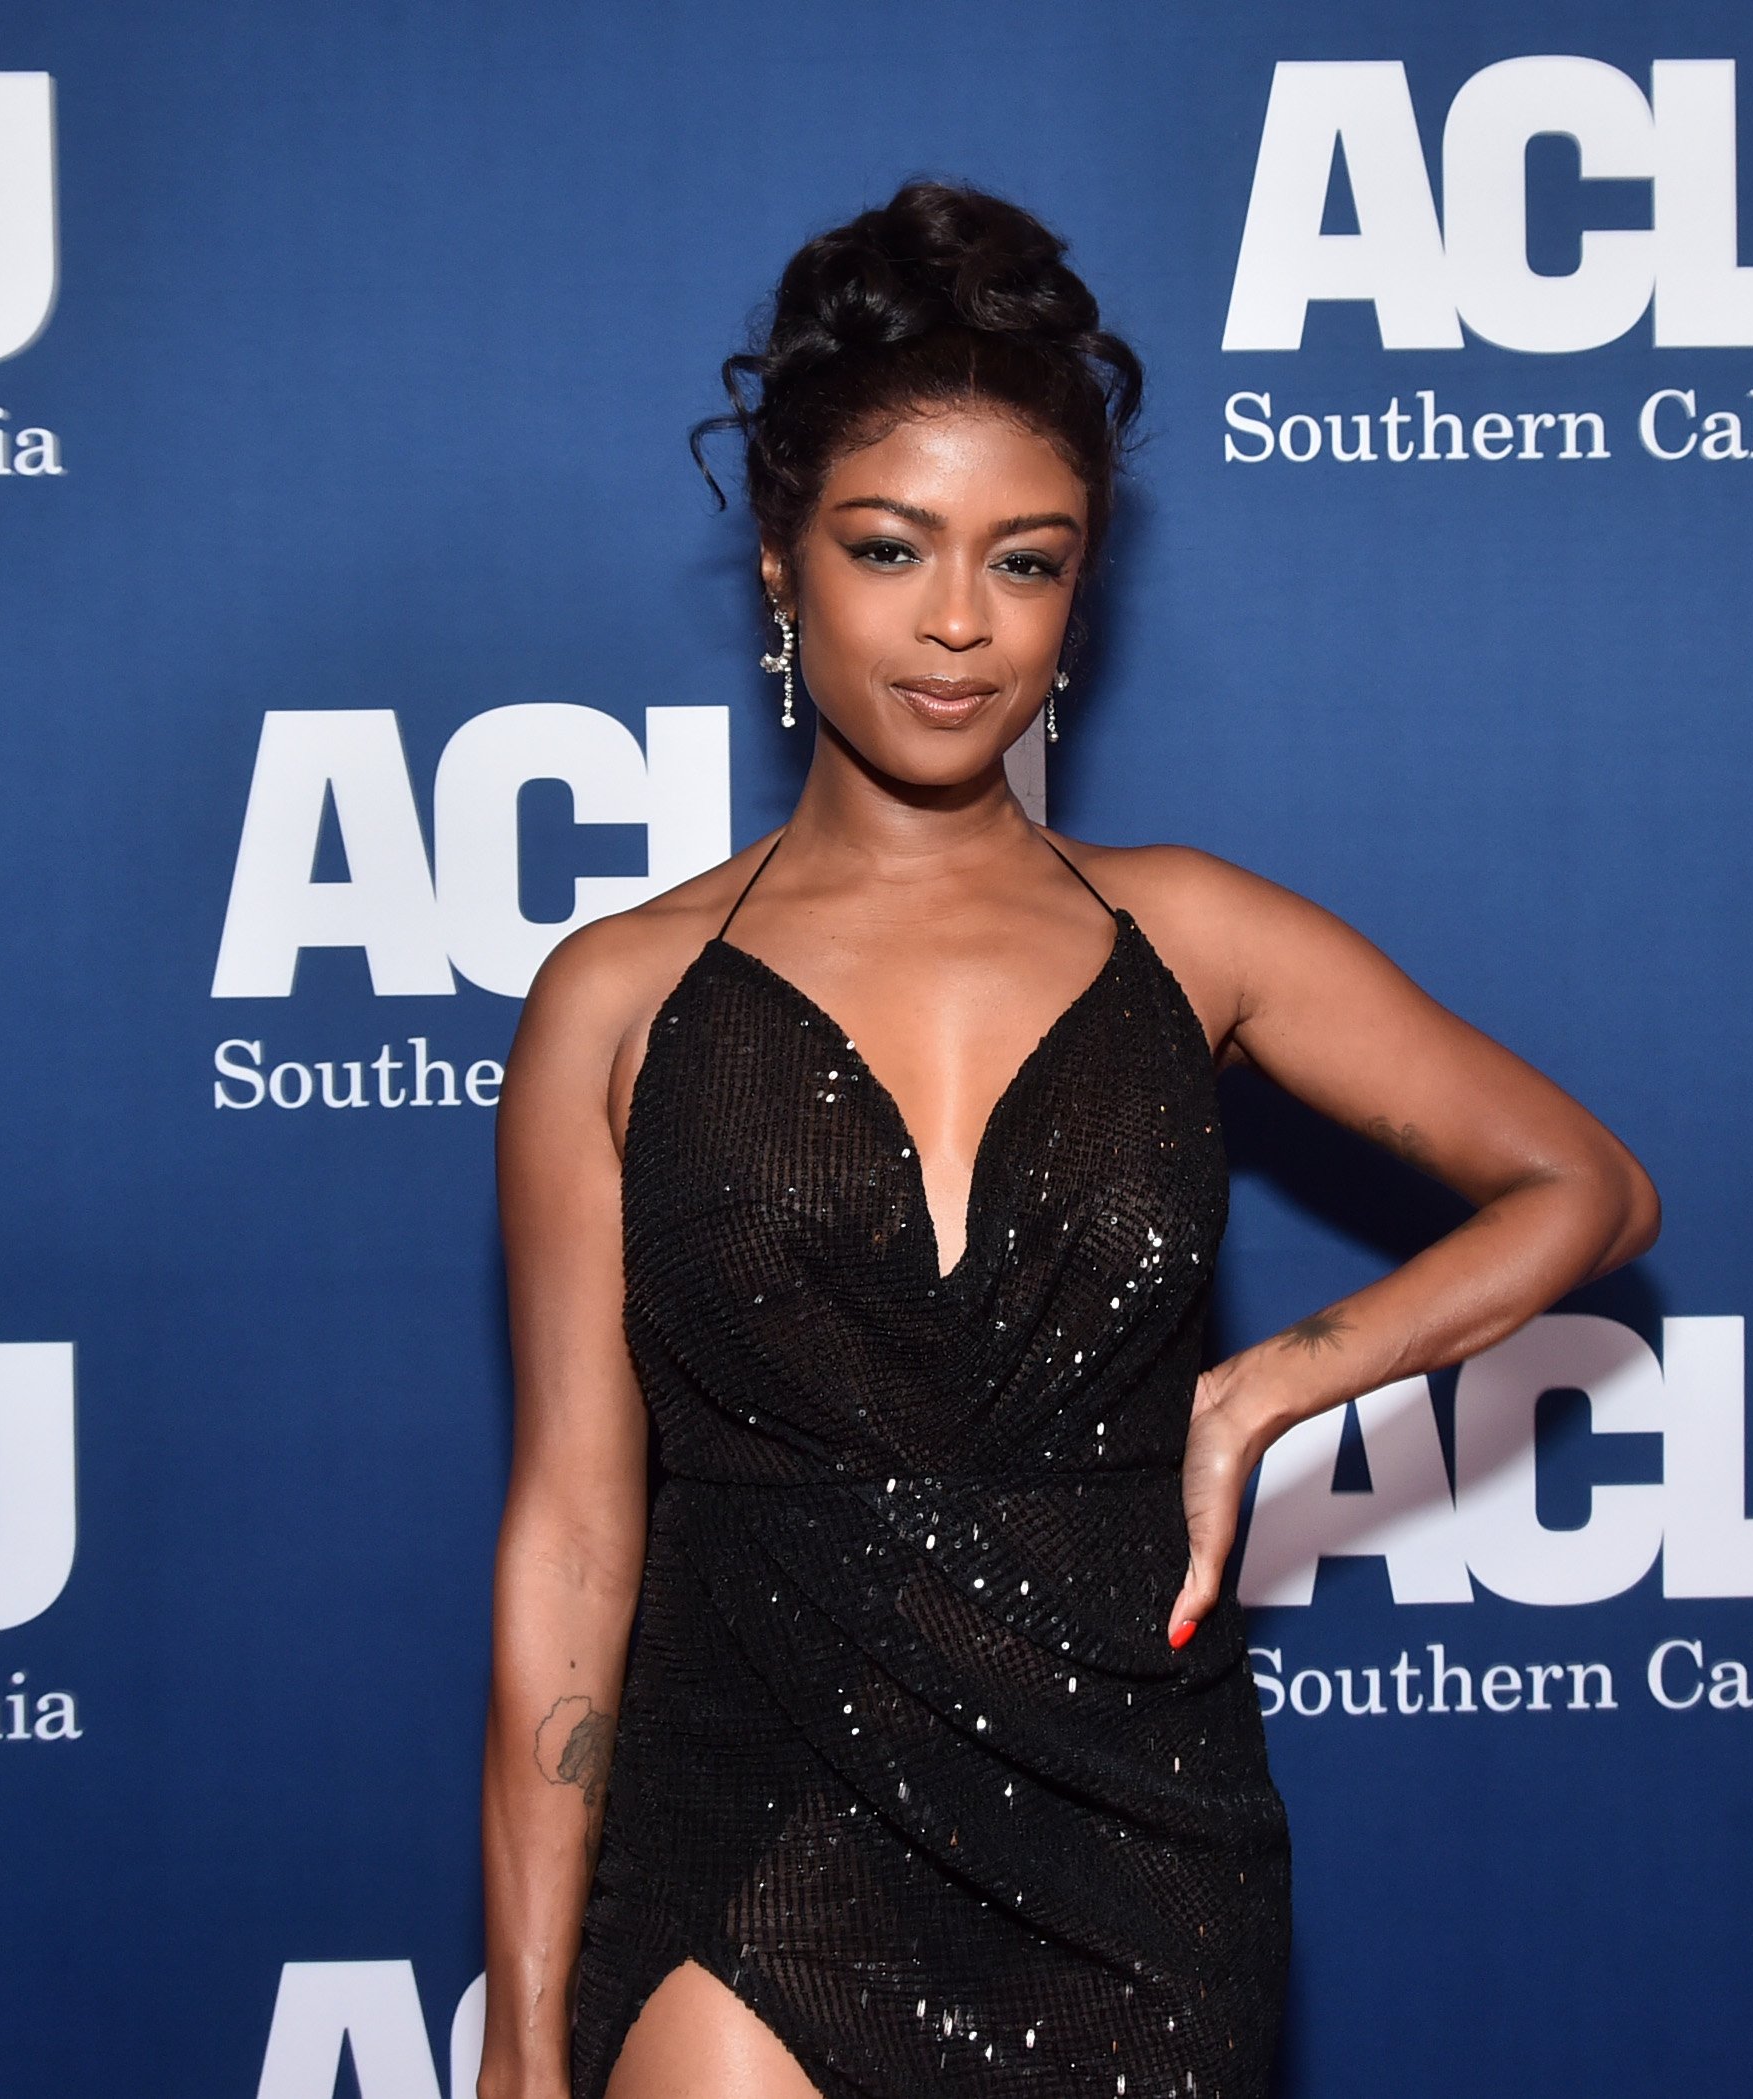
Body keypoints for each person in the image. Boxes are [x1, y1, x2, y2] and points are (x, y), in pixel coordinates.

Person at [479, 181, 1657, 2099]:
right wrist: (522, 2040)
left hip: (1129, 1833)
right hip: (752, 1805)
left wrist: (1276, 1381)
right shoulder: (618, 998)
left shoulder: (1192, 937)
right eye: (890, 548)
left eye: (1023, 564)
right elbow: (571, 1532)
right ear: (781, 563)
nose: (957, 625)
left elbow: (1584, 1187)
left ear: (1079, 592)